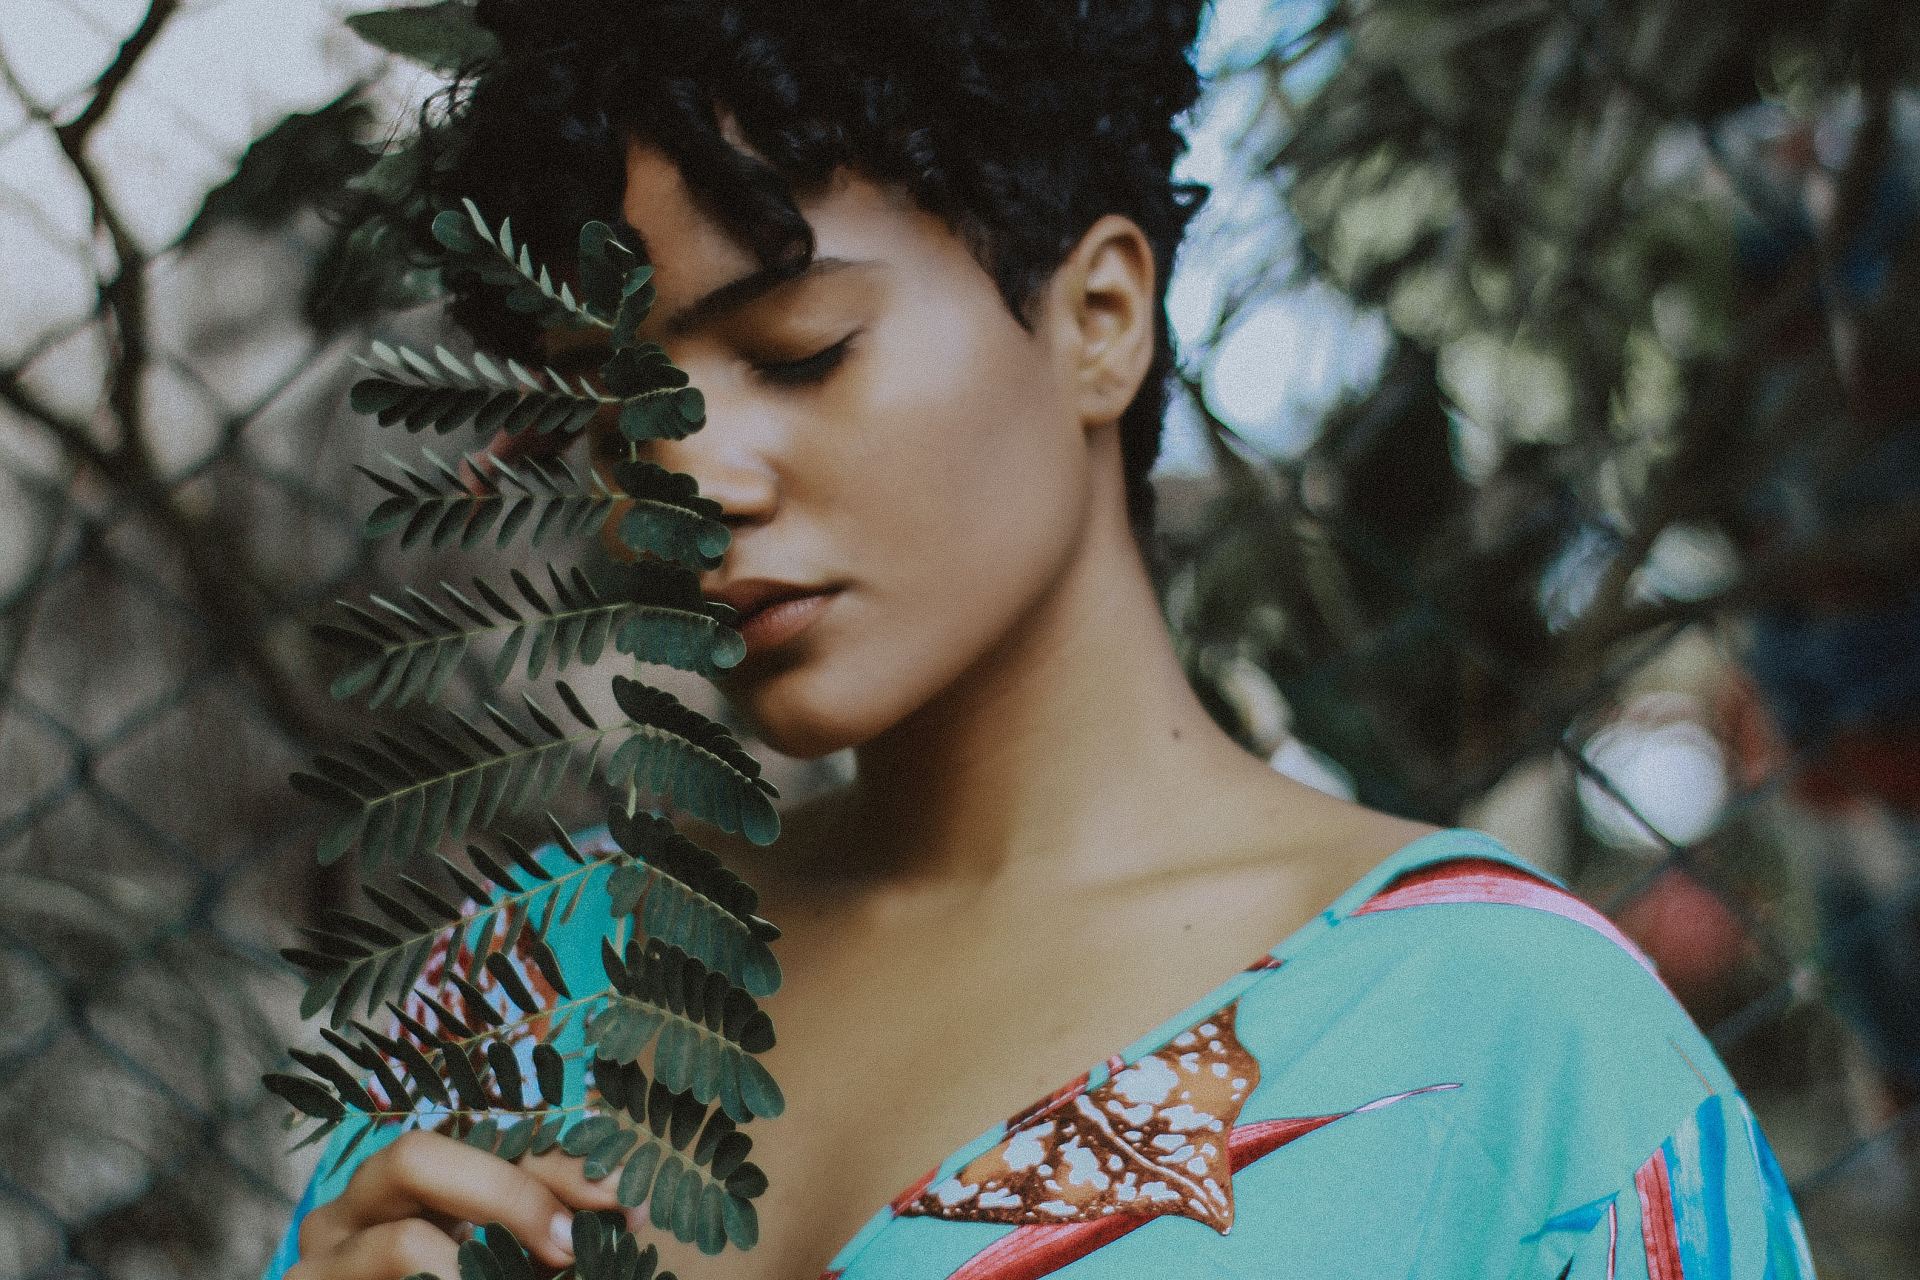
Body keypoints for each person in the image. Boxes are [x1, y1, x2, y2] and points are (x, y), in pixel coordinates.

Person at [268, 2, 1817, 1277]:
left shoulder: (1501, 1037)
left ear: (1100, 317)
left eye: (797, 353)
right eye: (607, 413)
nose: (685, 480)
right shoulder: (513, 991)